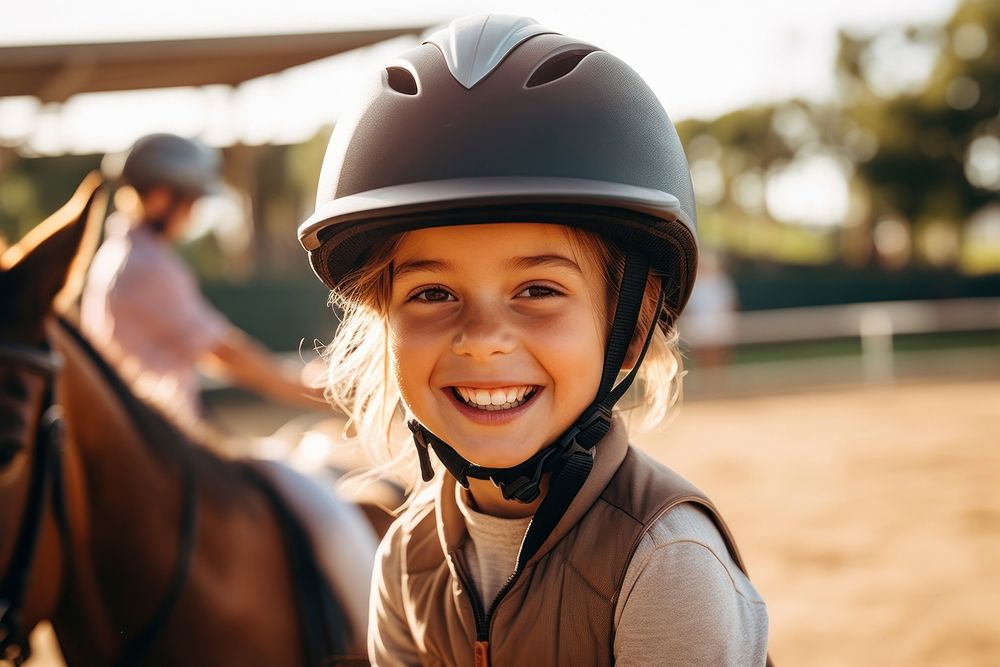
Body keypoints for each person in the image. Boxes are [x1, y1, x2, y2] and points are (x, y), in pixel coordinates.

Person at [298, 15, 769, 665]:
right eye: (433, 293)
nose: (484, 340)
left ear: (627, 336)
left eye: (538, 291)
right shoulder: (407, 561)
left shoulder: (665, 568)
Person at [82, 133, 319, 426]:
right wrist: (308, 389)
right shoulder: (148, 267)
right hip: (160, 438)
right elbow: (222, 352)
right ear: (160, 198)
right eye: (191, 200)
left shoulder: (115, 253)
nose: (193, 213)